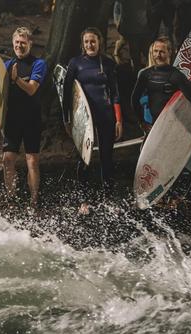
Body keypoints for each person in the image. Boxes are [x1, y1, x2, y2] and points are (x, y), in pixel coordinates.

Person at [63, 27, 123, 214]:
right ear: (82, 43)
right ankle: (83, 201)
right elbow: (66, 94)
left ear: (99, 42)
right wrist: (67, 120)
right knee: (84, 158)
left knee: (107, 157)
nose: (90, 44)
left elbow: (115, 94)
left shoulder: (108, 63)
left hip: (105, 114)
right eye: (86, 41)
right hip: (83, 118)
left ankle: (108, 199)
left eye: (93, 41)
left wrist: (118, 120)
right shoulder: (75, 64)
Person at [0, 27, 47, 208]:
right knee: (7, 159)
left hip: (32, 119)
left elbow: (32, 89)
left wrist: (16, 79)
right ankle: (11, 198)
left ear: (30, 43)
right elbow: (0, 94)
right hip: (13, 119)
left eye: (23, 42)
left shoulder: (39, 64)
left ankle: (34, 200)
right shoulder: (7, 66)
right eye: (17, 42)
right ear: (13, 43)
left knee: (32, 160)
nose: (19, 45)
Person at [130, 36, 191, 139]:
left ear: (169, 52)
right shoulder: (146, 74)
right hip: (155, 126)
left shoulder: (176, 75)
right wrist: (142, 122)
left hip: (175, 126)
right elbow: (134, 99)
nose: (157, 55)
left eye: (162, 52)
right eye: (155, 51)